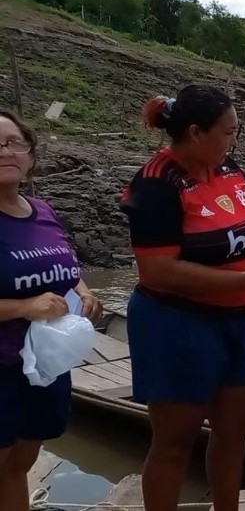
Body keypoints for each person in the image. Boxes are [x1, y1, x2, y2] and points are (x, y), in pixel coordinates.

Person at [120, 85, 245, 511]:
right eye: (228, 132)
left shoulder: (227, 166)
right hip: (175, 324)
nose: (234, 141)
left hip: (233, 322)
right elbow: (158, 269)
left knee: (233, 429)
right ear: (196, 133)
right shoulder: (156, 184)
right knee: (175, 440)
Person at [0, 110, 103, 511]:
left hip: (44, 367)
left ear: (29, 153)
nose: (6, 151)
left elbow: (65, 267)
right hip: (2, 366)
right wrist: (25, 306)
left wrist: (84, 291)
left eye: (15, 142)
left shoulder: (41, 210)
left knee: (19, 465)